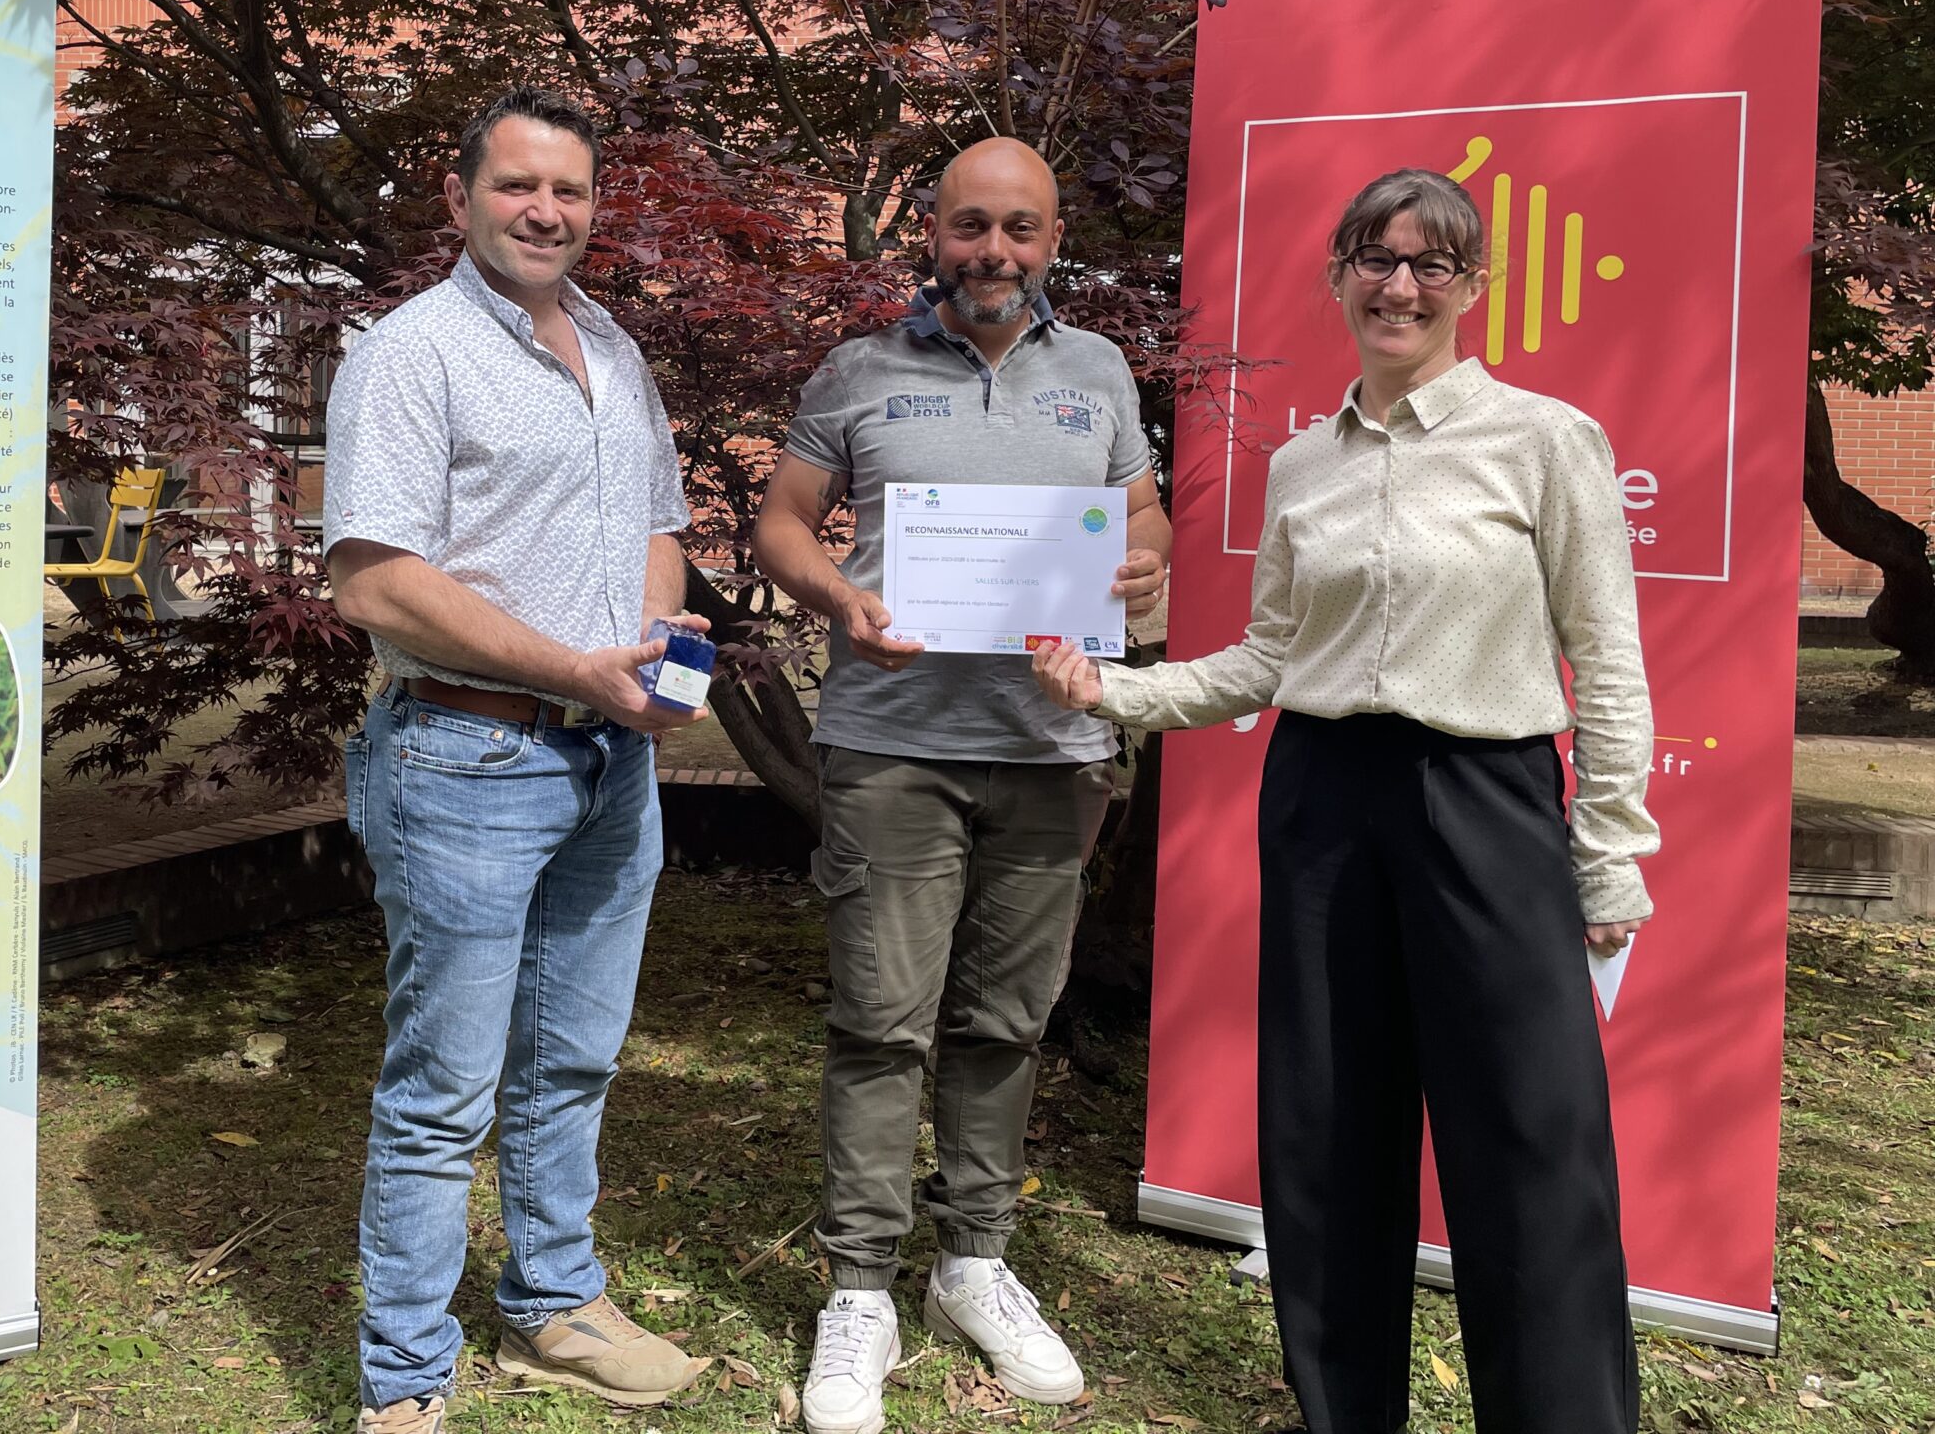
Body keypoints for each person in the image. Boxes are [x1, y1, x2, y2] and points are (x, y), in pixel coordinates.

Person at [1034, 166, 1655, 1434]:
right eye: (1376, 258)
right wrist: (1112, 690)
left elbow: (1606, 661)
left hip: (1484, 799)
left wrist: (1607, 857)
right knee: (1327, 1133)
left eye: (1431, 263)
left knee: (1530, 1139)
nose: (1400, 285)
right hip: (1321, 800)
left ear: (1473, 286)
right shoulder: (1304, 463)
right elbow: (1269, 657)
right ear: (1337, 277)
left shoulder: (1545, 440)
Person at [753, 137, 1172, 1434]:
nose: (994, 251)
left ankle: (974, 1265)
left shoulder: (1097, 373)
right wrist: (840, 597)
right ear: (930, 233)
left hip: (1052, 751)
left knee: (1005, 1022)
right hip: (894, 746)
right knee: (882, 1023)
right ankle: (861, 1287)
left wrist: (1140, 565)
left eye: (1020, 229)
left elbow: (1142, 518)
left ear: (1053, 241)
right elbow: (780, 523)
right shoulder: (859, 370)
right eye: (971, 225)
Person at [324, 87, 713, 1434]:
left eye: (570, 191)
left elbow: (658, 524)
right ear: (460, 197)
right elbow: (373, 580)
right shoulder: (411, 354)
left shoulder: (612, 346)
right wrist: (572, 668)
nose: (545, 211)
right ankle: (403, 1378)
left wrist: (649, 648)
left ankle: (554, 1300)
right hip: (465, 757)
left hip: (610, 764)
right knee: (443, 1093)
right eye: (517, 185)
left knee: (574, 1059)